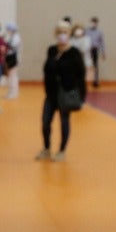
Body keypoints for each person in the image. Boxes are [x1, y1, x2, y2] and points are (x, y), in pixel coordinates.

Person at [37, 22, 86, 162]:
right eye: (59, 32)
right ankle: (46, 148)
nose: (62, 35)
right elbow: (47, 68)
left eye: (65, 32)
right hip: (51, 93)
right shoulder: (51, 50)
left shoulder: (74, 53)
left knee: (64, 121)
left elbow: (81, 76)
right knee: (45, 121)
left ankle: (62, 150)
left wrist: (82, 97)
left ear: (69, 34)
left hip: (66, 93)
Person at [4, 22, 23, 99]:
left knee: (13, 76)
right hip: (9, 57)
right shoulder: (12, 37)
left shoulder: (16, 37)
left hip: (13, 58)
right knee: (10, 76)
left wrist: (4, 43)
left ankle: (14, 92)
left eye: (9, 29)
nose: (8, 31)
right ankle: (11, 91)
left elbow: (12, 47)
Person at [87, 16, 106, 88]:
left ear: (97, 23)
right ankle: (87, 80)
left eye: (95, 22)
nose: (93, 24)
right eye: (92, 22)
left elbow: (102, 43)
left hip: (95, 49)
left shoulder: (99, 32)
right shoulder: (87, 31)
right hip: (88, 50)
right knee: (88, 65)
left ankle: (95, 80)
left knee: (95, 65)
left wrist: (103, 52)